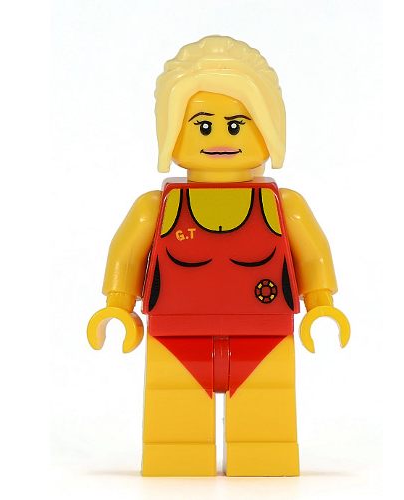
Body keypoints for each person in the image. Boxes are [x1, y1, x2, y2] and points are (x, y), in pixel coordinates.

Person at [87, 35, 350, 477]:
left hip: (265, 336)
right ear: (172, 132)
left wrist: (321, 305)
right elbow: (126, 252)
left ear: (268, 128)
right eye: (203, 126)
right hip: (175, 337)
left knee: (265, 424)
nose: (221, 138)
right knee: (176, 427)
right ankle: (178, 461)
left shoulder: (284, 206)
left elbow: (312, 255)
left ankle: (263, 459)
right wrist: (117, 306)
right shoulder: (157, 207)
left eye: (237, 124)